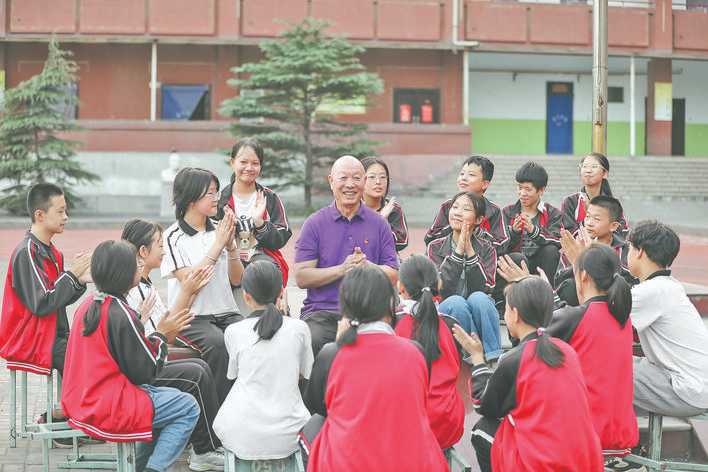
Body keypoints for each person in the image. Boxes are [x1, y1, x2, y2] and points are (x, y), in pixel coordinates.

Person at [61, 240, 200, 472]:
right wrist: (162, 335)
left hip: (83, 399)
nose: (140, 268)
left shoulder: (88, 305)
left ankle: (141, 466)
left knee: (168, 401)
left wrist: (141, 324)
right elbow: (145, 370)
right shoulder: (119, 311)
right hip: (109, 405)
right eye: (136, 265)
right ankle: (152, 469)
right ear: (123, 274)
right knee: (187, 406)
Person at [303, 265, 448, 472]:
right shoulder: (415, 352)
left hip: (348, 463)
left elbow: (317, 405)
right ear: (390, 304)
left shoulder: (332, 354)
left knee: (314, 425)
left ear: (345, 305)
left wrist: (338, 342)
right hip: (413, 462)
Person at [453, 276, 603, 472]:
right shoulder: (567, 351)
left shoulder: (515, 360)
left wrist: (478, 359)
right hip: (585, 460)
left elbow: (484, 405)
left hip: (544, 464)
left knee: (482, 429)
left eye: (506, 309)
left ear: (514, 314)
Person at [122, 219, 225, 471]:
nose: (164, 249)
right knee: (197, 372)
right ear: (143, 252)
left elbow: (166, 327)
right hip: (142, 367)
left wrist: (188, 292)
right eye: (159, 245)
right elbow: (161, 335)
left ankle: (206, 443)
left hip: (151, 357)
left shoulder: (145, 285)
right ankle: (204, 449)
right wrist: (187, 293)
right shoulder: (132, 289)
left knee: (199, 364)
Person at [0, 184, 90, 429]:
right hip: (30, 338)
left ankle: (72, 418)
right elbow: (42, 303)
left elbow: (57, 299)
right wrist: (71, 275)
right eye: (60, 211)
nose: (66, 217)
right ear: (40, 215)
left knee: (95, 346)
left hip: (52, 335)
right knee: (84, 356)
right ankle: (66, 423)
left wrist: (79, 281)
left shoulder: (53, 253)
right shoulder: (26, 252)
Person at [294, 155, 399, 356]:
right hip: (322, 312)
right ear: (331, 181)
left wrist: (367, 266)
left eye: (357, 178)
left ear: (364, 182)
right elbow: (301, 277)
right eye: (343, 178)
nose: (350, 185)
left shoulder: (379, 223)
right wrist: (342, 269)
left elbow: (393, 274)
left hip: (369, 313)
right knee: (313, 340)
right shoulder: (315, 223)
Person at [214, 260, 313, 469]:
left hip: (242, 433)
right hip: (289, 434)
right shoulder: (300, 328)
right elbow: (305, 373)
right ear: (281, 293)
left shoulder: (234, 331)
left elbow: (232, 375)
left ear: (246, 297)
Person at [161, 167, 245, 403]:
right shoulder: (172, 237)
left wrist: (230, 247)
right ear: (190, 197)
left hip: (227, 313)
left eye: (217, 192)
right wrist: (219, 245)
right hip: (193, 318)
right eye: (210, 193)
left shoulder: (221, 229)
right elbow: (192, 282)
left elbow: (237, 279)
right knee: (218, 346)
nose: (216, 198)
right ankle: (218, 420)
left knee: (252, 336)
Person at [547, 244, 638, 453]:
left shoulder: (577, 316)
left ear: (584, 276)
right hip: (620, 434)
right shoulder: (623, 317)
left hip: (584, 433)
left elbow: (527, 341)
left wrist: (530, 295)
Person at [627, 220, 708, 418]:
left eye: (629, 248)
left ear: (640, 252)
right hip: (694, 385)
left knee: (599, 367)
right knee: (621, 362)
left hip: (686, 391)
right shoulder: (668, 286)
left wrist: (583, 266)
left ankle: (608, 440)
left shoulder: (652, 292)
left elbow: (595, 316)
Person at [395, 255, 464, 450]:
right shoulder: (451, 324)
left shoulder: (392, 323)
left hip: (407, 427)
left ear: (401, 287)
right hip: (447, 425)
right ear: (438, 284)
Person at [427, 191, 502, 360]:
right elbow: (438, 288)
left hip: (478, 305)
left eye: (466, 209)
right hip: (449, 307)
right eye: (455, 207)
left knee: (479, 299)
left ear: (478, 219)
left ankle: (493, 358)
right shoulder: (435, 247)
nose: (458, 212)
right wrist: (458, 251)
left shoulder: (487, 248)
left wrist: (470, 251)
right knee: (456, 302)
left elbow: (487, 286)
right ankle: (471, 356)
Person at [217, 138, 291, 284]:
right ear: (232, 163)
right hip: (227, 259)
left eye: (255, 163)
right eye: (243, 162)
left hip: (263, 260)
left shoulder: (269, 197)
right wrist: (231, 228)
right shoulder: (220, 200)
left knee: (268, 273)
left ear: (261, 166)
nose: (249, 168)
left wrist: (260, 224)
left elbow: (282, 236)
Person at [555, 196, 637, 306]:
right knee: (569, 286)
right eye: (587, 216)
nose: (589, 223)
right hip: (578, 301)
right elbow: (560, 280)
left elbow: (630, 282)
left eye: (596, 219)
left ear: (613, 226)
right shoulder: (576, 245)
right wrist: (581, 259)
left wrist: (592, 257)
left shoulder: (624, 250)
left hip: (612, 304)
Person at [425, 155, 507, 252]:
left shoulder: (493, 210)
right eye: (462, 174)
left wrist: (474, 231)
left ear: (484, 184)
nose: (463, 178)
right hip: (449, 257)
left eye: (471, 175)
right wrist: (456, 227)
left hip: (480, 259)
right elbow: (430, 238)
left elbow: (502, 245)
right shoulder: (448, 207)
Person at [502, 161, 562, 279]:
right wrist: (514, 232)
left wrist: (533, 230)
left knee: (551, 250)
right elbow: (500, 244)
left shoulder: (553, 213)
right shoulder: (507, 212)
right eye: (520, 188)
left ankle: (547, 289)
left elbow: (557, 240)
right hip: (517, 263)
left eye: (528, 189)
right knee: (517, 258)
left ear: (541, 190)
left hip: (541, 264)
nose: (522, 193)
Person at [560, 152, 628, 237]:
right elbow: (568, 231)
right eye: (584, 167)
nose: (588, 171)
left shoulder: (613, 204)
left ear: (605, 174)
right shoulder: (570, 201)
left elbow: (622, 231)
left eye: (594, 167)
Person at [361, 157, 409, 252]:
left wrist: (382, 222)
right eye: (372, 177)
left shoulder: (393, 209)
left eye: (383, 177)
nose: (378, 182)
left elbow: (401, 242)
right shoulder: (353, 208)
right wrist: (380, 219)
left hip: (386, 262)